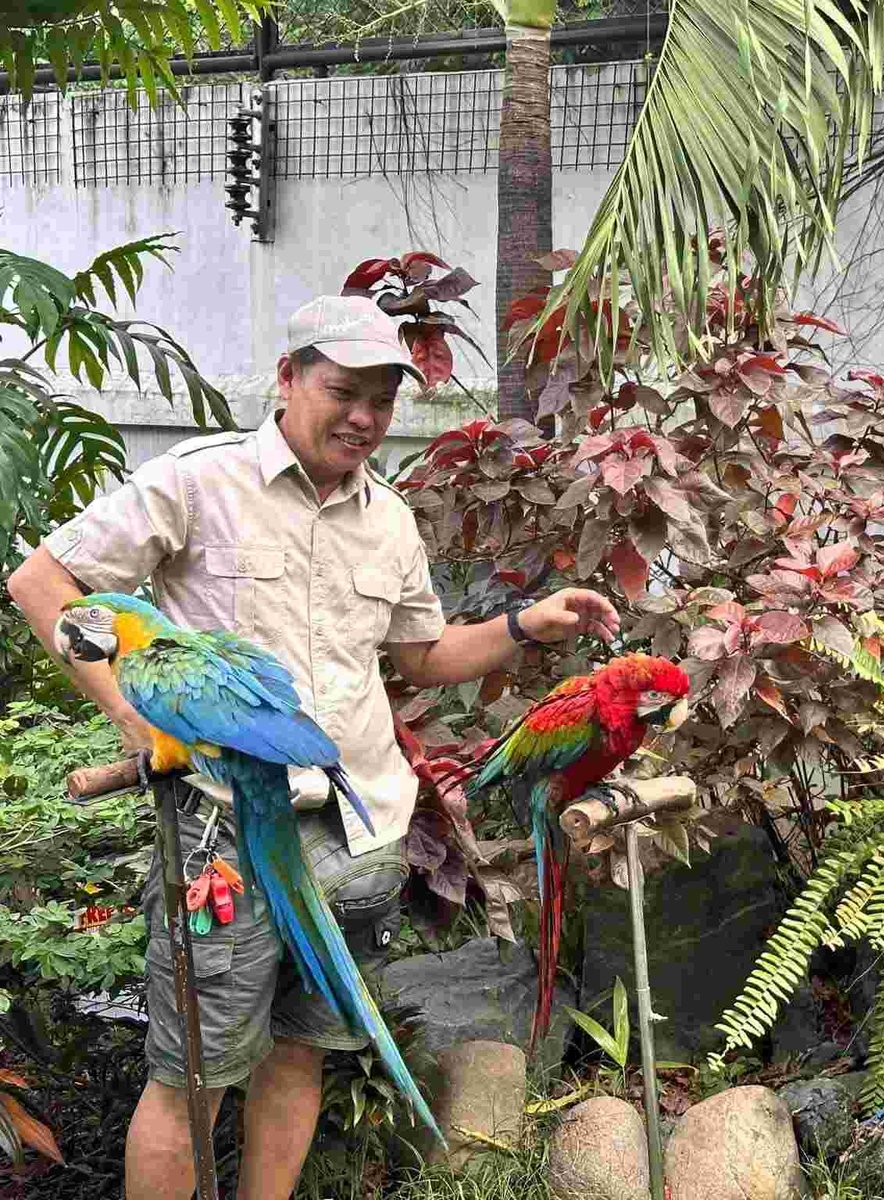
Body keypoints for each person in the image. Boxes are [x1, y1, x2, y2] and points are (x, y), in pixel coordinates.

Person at [5, 294, 621, 1200]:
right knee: (189, 1083)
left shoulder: (390, 518)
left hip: (358, 831)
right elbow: (41, 580)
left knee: (300, 1055)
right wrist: (140, 723)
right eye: (345, 391)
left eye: (384, 399)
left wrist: (529, 623)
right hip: (226, 837)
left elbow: (423, 656)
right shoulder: (196, 482)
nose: (366, 417)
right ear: (288, 379)